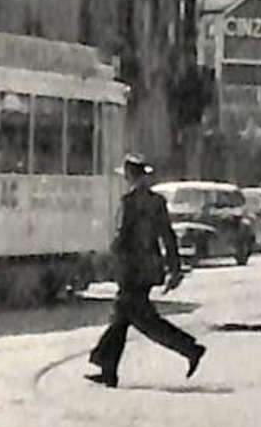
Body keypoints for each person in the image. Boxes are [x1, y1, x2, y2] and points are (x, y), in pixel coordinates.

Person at [86, 156, 206, 389]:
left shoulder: (128, 201)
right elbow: (167, 236)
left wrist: (109, 256)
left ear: (130, 176)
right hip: (149, 269)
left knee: (146, 321)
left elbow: (122, 237)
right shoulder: (157, 201)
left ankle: (190, 349)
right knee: (121, 318)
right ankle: (107, 368)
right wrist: (174, 267)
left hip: (131, 269)